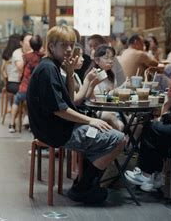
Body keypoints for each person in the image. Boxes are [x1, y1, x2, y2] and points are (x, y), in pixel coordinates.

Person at [27, 25, 124, 204]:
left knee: (106, 132)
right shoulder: (48, 69)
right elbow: (60, 110)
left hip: (59, 127)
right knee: (118, 139)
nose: (70, 50)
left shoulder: (53, 67)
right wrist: (90, 120)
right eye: (64, 45)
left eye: (72, 44)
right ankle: (83, 187)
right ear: (51, 47)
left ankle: (84, 184)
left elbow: (71, 101)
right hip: (56, 132)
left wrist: (70, 73)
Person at [125, 36, 171, 192]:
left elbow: (169, 101)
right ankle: (157, 175)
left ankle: (147, 174)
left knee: (152, 128)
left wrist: (161, 115)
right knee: (163, 130)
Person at [8, 35, 43, 133]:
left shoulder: (26, 56)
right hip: (36, 90)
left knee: (16, 100)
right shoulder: (42, 57)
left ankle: (12, 124)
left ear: (31, 44)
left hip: (25, 87)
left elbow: (22, 71)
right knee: (35, 103)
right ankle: (33, 125)